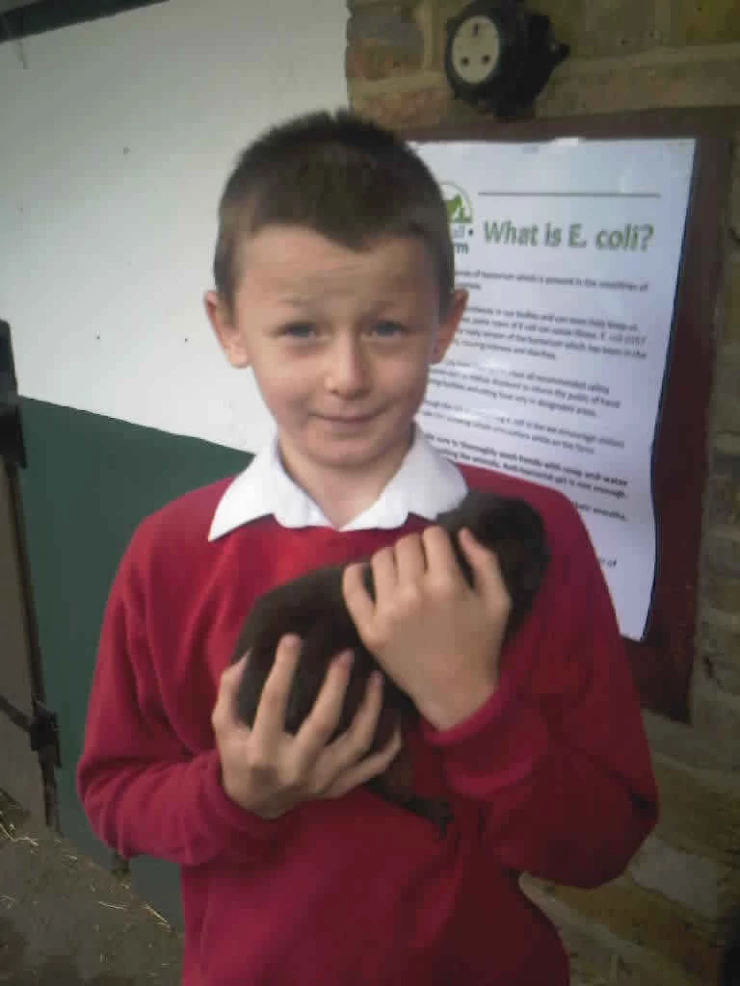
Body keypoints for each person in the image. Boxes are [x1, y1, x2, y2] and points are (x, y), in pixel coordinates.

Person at [77, 109, 658, 985]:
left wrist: (468, 701)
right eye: (300, 330)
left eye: (386, 328)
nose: (346, 377)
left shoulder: (533, 537)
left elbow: (604, 842)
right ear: (230, 328)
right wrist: (233, 795)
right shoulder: (168, 555)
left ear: (445, 324)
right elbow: (113, 796)